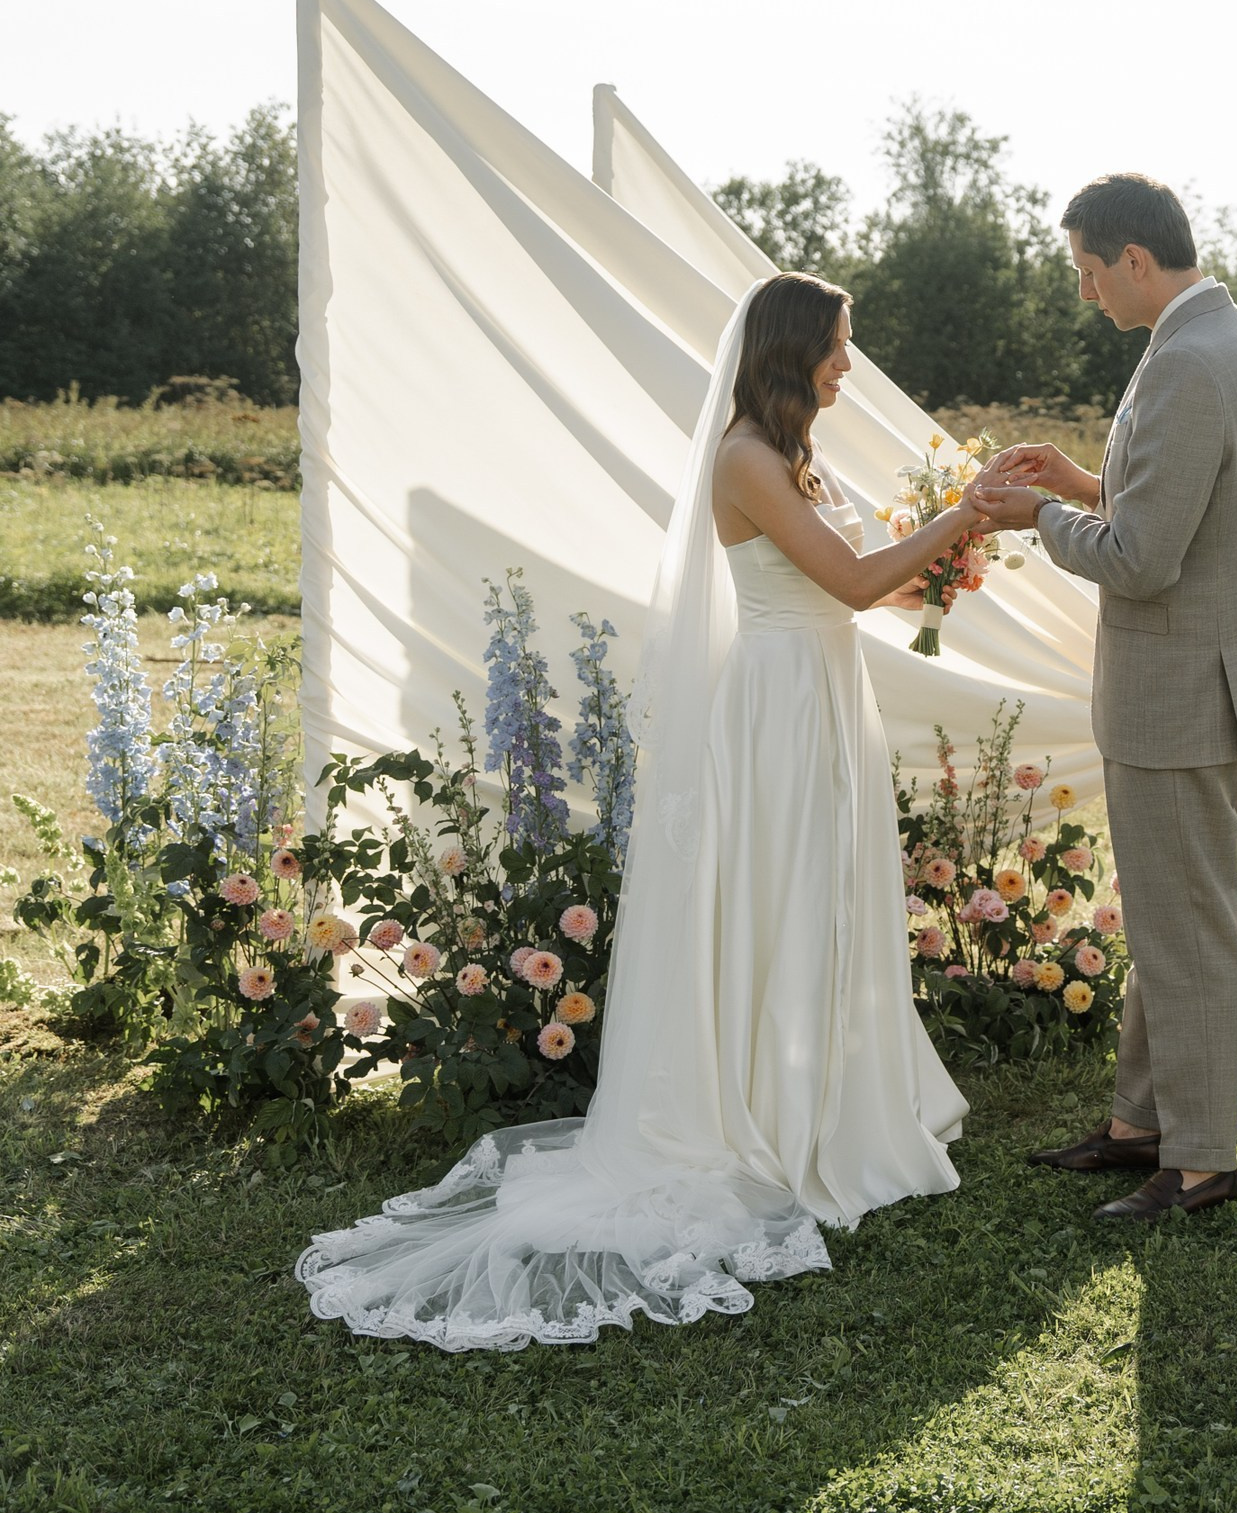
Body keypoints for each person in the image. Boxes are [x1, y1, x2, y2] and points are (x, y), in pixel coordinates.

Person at [297, 273, 999, 1350]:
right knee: (784, 893)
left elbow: (864, 587)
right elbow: (850, 584)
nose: (848, 366)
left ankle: (826, 1090)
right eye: (838, 347)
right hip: (774, 708)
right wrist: (960, 513)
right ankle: (771, 1112)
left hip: (822, 696)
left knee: (824, 894)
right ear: (790, 349)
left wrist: (943, 572)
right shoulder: (746, 460)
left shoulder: (797, 459)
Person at [974, 174, 1237, 1224]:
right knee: (1171, 923)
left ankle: (1199, 1164)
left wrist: (1031, 518)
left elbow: (1147, 560)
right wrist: (1080, 483)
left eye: (1086, 272)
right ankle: (1140, 1127)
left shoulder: (1189, 362)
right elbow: (1186, 508)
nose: (1085, 294)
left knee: (1193, 936)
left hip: (1179, 697)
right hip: (1208, 684)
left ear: (1135, 262)